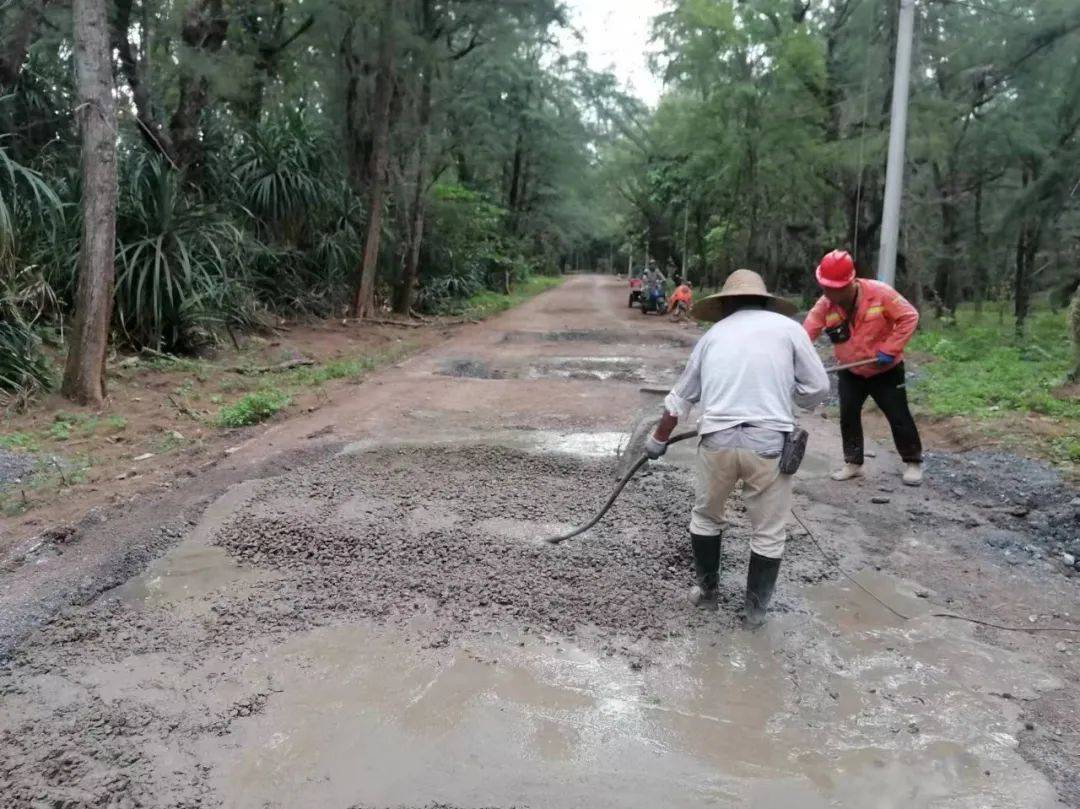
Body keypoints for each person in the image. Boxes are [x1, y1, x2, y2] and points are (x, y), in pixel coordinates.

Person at [645, 270, 830, 628]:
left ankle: (708, 595)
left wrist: (658, 440)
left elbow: (679, 399)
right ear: (764, 300)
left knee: (705, 517)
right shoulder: (789, 330)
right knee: (768, 532)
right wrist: (786, 392)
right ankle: (754, 613)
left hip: (717, 442)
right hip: (768, 445)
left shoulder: (712, 336)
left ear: (726, 304)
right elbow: (818, 389)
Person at [803, 250, 924, 486]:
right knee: (848, 415)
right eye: (824, 287)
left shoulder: (880, 294)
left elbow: (909, 316)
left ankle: (913, 462)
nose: (827, 293)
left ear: (849, 283)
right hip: (850, 370)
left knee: (898, 415)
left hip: (885, 370)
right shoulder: (825, 305)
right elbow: (804, 334)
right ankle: (853, 462)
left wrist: (890, 349)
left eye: (832, 288)